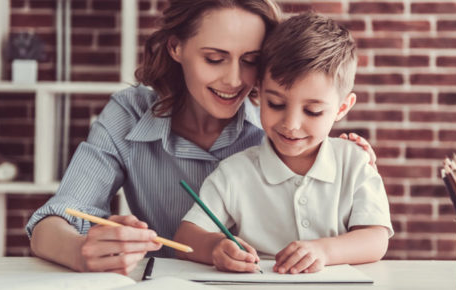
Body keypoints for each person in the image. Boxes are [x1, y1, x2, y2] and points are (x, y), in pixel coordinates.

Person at [26, 0, 375, 275]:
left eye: (250, 60)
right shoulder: (130, 114)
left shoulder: (280, 126)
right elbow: (54, 220)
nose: (234, 80)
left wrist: (342, 153)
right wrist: (79, 251)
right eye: (214, 58)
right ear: (176, 47)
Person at [174, 12, 394, 274]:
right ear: (259, 90)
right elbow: (185, 237)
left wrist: (324, 251)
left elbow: (376, 239)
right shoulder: (235, 172)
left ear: (342, 107)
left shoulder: (355, 161)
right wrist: (215, 247)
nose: (291, 124)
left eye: (312, 111)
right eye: (276, 104)